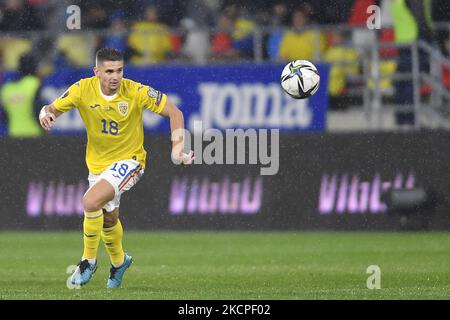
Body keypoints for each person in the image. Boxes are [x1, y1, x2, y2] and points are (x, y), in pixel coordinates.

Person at [38, 48, 194, 288]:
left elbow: (175, 112)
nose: (115, 76)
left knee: (90, 202)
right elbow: (51, 109)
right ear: (97, 72)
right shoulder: (82, 89)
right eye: (109, 71)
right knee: (108, 219)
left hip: (130, 161)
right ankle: (120, 262)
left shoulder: (136, 91)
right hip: (98, 165)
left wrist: (177, 148)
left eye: (119, 70)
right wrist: (45, 115)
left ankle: (87, 261)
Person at [0, 54, 43, 137]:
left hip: (14, 135)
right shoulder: (34, 84)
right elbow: (38, 110)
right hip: (34, 135)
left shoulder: (7, 89)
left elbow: (4, 115)